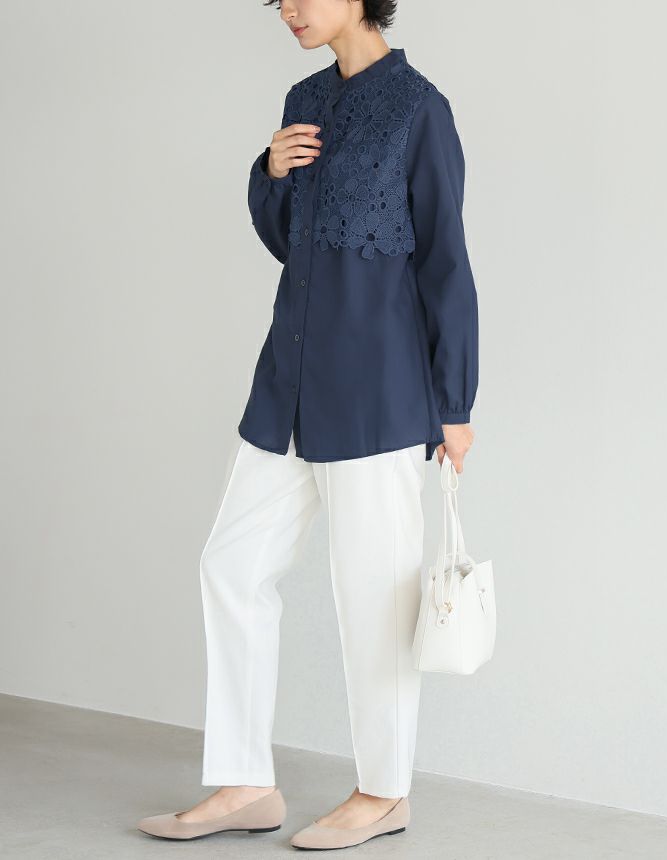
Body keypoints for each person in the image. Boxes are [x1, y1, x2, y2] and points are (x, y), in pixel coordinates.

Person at [137, 0, 478, 850]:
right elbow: (291, 241)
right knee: (231, 565)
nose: (286, 8)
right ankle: (246, 783)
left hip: (376, 396)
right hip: (287, 386)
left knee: (375, 596)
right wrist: (272, 172)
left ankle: (384, 792)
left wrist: (455, 404)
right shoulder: (304, 100)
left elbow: (445, 260)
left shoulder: (421, 110)